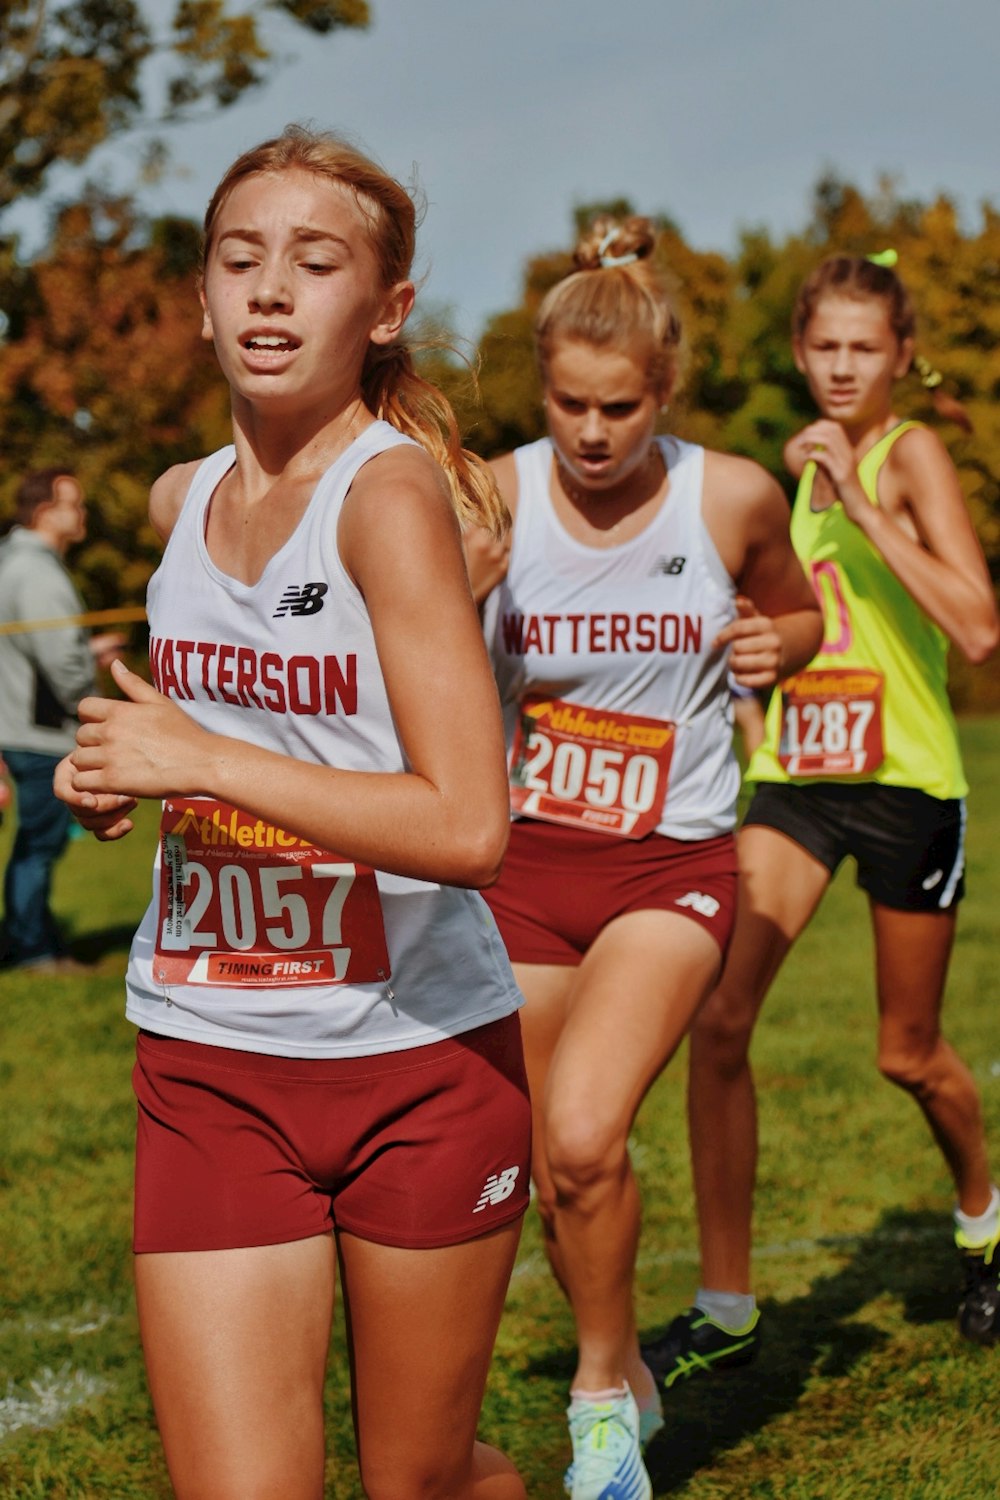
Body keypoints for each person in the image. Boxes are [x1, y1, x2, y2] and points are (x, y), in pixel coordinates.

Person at [55, 126, 531, 1500]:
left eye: (314, 264)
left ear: (384, 313)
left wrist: (198, 759)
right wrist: (120, 782)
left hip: (419, 1068)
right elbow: (215, 759)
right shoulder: (176, 499)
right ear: (202, 298)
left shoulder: (387, 501)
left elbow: (467, 829)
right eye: (241, 260)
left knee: (420, 1486)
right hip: (211, 1064)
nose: (270, 291)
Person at [465, 214, 822, 1500]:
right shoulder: (492, 494)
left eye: (618, 407)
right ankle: (627, 1375)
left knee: (581, 1124)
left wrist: (782, 639)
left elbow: (792, 600)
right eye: (568, 404)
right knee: (561, 1169)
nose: (592, 434)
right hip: (520, 870)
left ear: (660, 394)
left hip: (667, 864)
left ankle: (597, 1405)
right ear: (542, 390)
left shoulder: (723, 494)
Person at [646, 252, 1000, 1392]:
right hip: (800, 777)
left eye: (865, 348)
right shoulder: (788, 477)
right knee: (718, 1016)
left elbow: (978, 630)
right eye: (825, 348)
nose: (843, 367)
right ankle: (726, 1304)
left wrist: (856, 497)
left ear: (900, 356)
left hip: (908, 785)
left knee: (905, 1051)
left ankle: (983, 1213)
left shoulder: (907, 456)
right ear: (800, 354)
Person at [0, 468, 123, 971]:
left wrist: (84, 648)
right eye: (74, 503)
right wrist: (94, 706)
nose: (82, 514)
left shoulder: (15, 561)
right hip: (39, 733)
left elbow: (38, 647)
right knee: (39, 847)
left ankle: (38, 942)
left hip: (21, 724)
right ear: (46, 510)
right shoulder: (36, 571)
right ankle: (32, 952)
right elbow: (60, 663)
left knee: (37, 845)